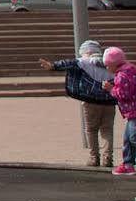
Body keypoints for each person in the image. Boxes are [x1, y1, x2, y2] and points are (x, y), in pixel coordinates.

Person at [38, 40, 118, 168]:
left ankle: (94, 158)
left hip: (90, 102)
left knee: (91, 130)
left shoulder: (83, 62)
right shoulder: (109, 64)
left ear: (86, 51)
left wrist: (52, 66)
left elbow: (68, 64)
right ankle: (108, 158)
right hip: (110, 102)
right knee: (107, 130)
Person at [107, 48, 136, 176]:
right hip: (131, 112)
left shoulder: (122, 75)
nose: (107, 68)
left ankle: (128, 164)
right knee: (128, 139)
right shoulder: (129, 70)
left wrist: (111, 89)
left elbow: (124, 94)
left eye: (107, 65)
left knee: (133, 138)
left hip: (133, 111)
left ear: (113, 64)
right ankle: (128, 164)